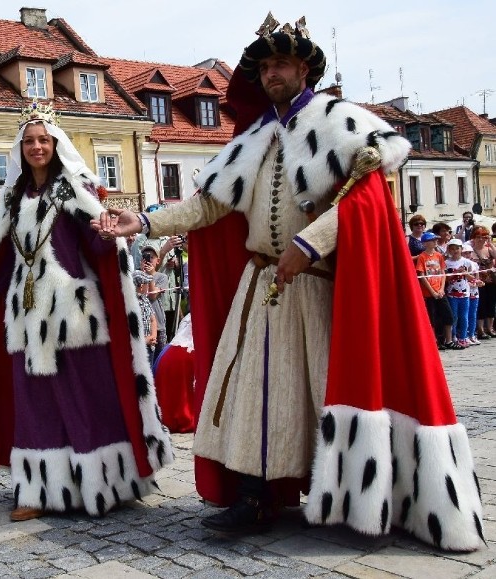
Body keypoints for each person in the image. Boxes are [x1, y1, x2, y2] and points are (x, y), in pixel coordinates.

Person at [95, 14, 484, 550]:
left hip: (320, 286)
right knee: (253, 392)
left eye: (281, 63)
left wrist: (309, 245)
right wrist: (142, 222)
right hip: (259, 289)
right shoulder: (251, 139)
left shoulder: (341, 123)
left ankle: (350, 498)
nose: (272, 73)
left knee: (327, 390)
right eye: (264, 66)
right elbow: (209, 205)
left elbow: (362, 202)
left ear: (304, 68)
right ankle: (256, 497)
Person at [0, 101, 173, 522]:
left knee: (84, 397)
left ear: (56, 145)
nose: (37, 147)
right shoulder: (12, 198)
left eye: (44, 140)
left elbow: (97, 248)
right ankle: (35, 490)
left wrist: (107, 233)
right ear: (20, 149)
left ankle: (101, 484)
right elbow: (8, 260)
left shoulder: (74, 189)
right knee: (32, 401)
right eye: (30, 142)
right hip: (24, 318)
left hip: (76, 317)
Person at [415, 232, 454, 350]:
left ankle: (449, 340)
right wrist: (432, 292)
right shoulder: (422, 257)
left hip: (440, 291)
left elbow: (443, 273)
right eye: (433, 240)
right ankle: (434, 342)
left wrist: (441, 289)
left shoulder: (439, 256)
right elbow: (422, 276)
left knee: (448, 316)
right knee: (432, 319)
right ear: (426, 243)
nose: (435, 241)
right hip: (429, 293)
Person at [469, 225, 496, 339]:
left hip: (491, 281)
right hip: (478, 281)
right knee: (481, 306)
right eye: (478, 237)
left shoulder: (489, 248)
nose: (481, 239)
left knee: (491, 305)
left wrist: (491, 244)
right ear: (474, 238)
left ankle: (490, 328)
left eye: (484, 237)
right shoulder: (471, 250)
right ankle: (480, 329)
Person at [444, 238, 472, 348]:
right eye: (452, 249)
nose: (455, 251)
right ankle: (454, 336)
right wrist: (455, 273)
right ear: (449, 250)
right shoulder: (446, 263)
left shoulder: (467, 262)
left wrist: (465, 273)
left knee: (464, 316)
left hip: (465, 294)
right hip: (452, 293)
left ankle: (463, 337)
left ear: (461, 249)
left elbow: (472, 277)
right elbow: (446, 278)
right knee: (454, 316)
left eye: (457, 248)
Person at [462, 243, 483, 345]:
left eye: (469, 253)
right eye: (465, 253)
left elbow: (477, 277)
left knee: (473, 314)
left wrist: (478, 282)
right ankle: (464, 335)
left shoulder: (474, 264)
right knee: (464, 315)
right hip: (464, 291)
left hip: (474, 292)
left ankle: (472, 334)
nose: (467, 254)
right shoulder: (461, 264)